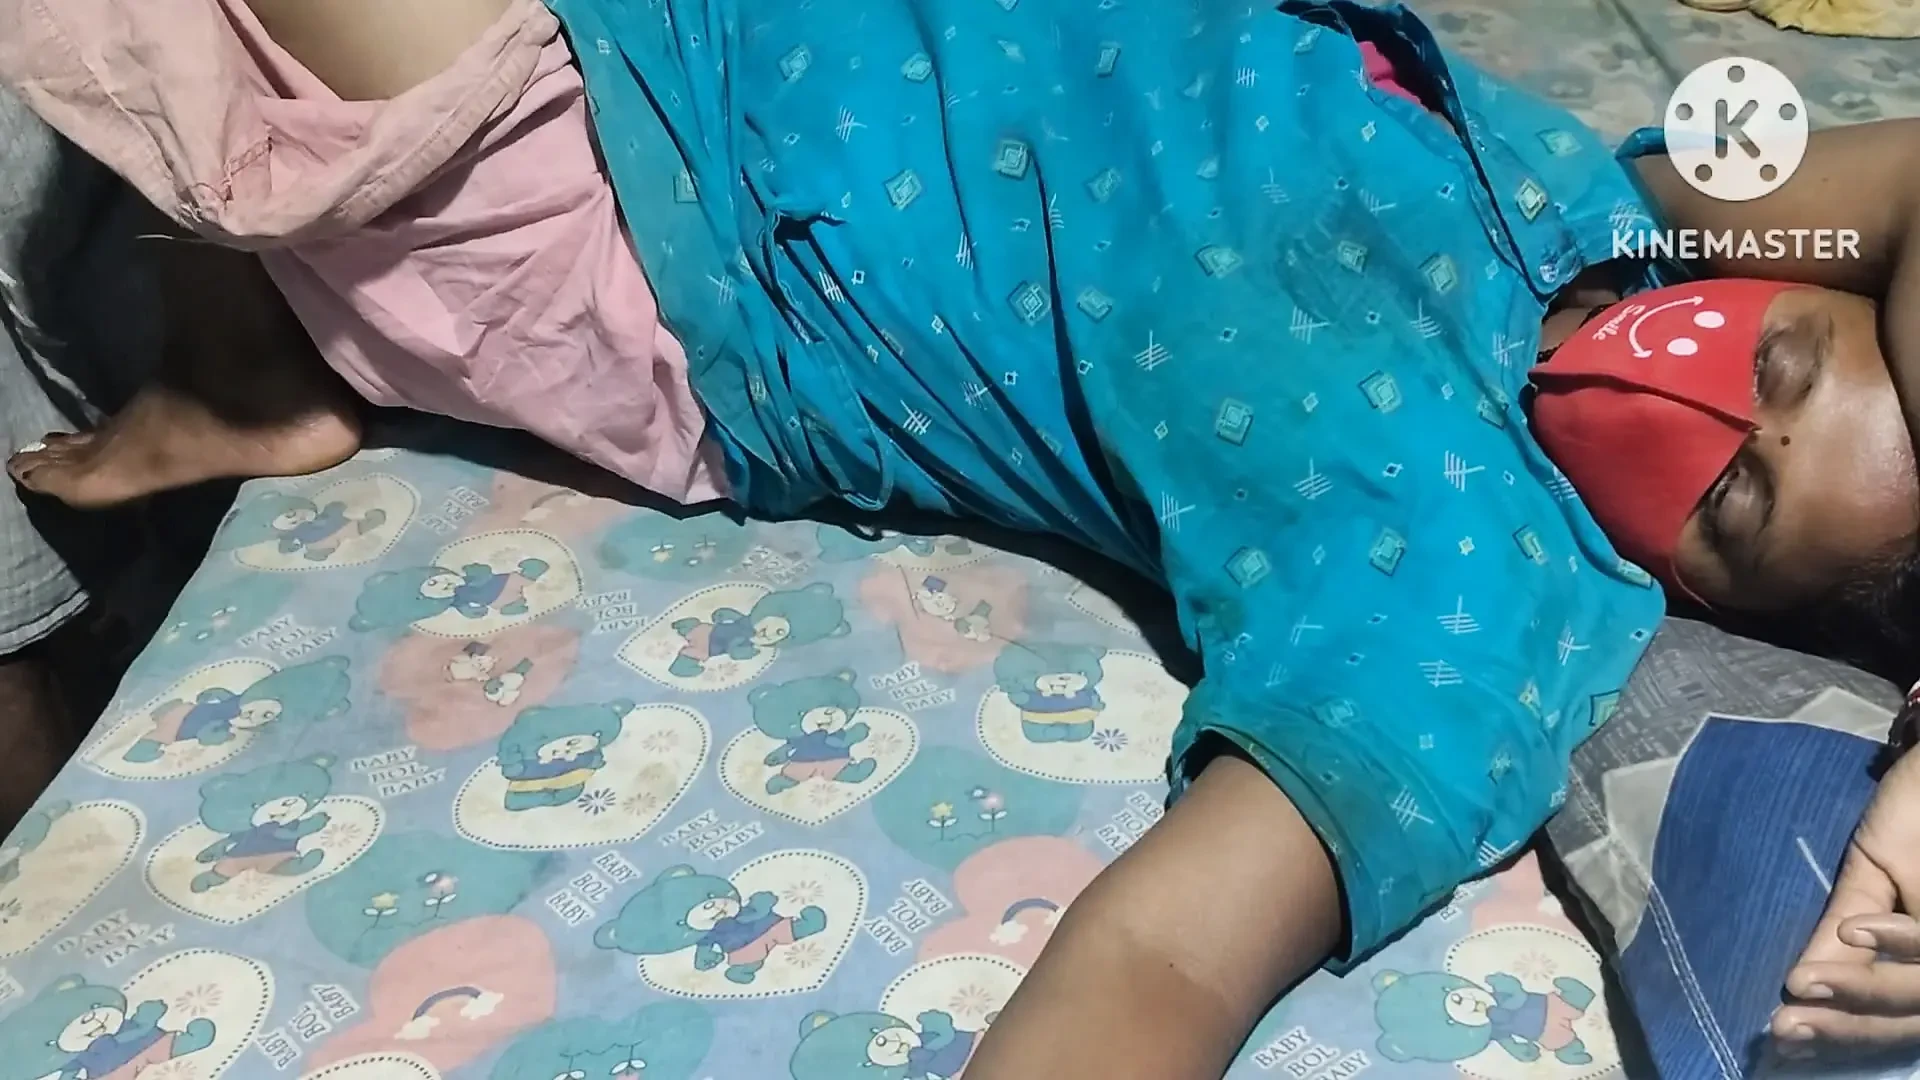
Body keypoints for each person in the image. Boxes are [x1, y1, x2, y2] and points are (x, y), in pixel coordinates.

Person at [4, 0, 1919, 1071]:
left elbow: (1162, 969)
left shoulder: (1475, 609)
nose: (1701, 399)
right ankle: (249, 329)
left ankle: (253, 349)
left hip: (669, 208)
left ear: (1699, 589)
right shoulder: (1644, 212)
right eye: (1789, 356)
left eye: (1735, 498)